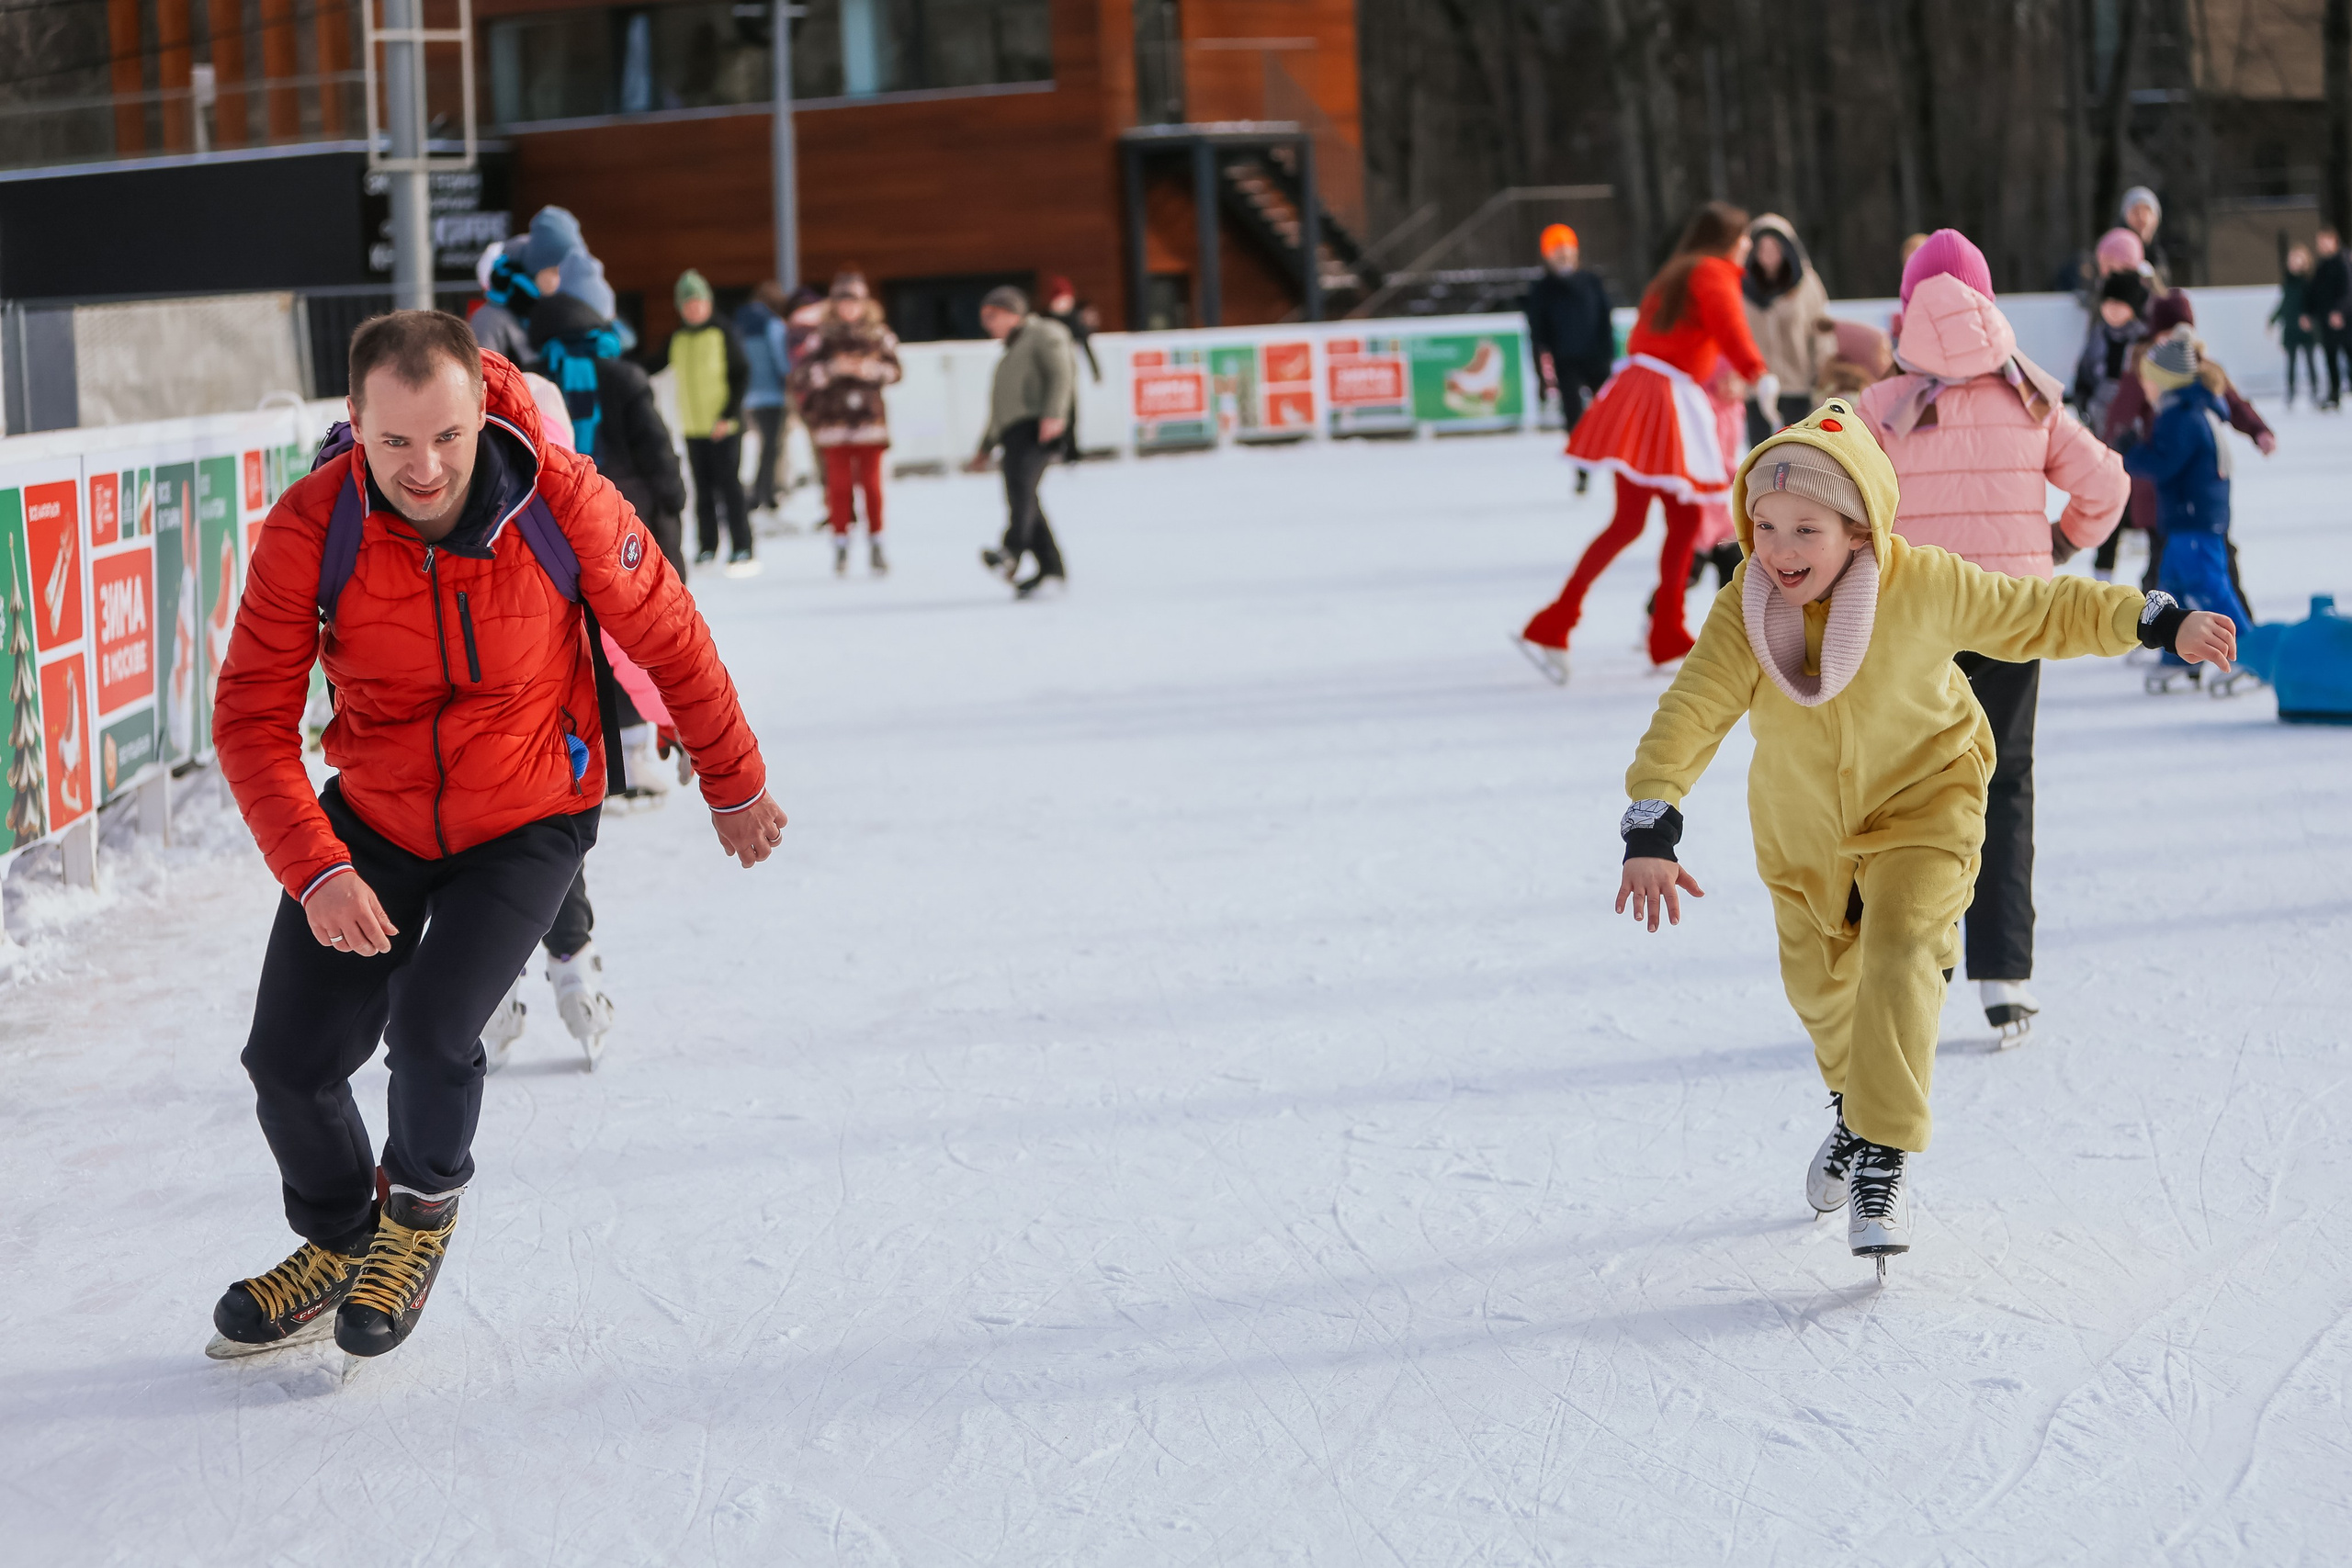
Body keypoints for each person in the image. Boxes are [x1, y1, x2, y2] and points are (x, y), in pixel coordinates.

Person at [207, 312, 785, 1361]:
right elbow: (250, 715)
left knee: (431, 1034)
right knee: (286, 1063)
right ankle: (340, 1242)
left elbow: (669, 632)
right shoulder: (313, 524)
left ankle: (415, 1218)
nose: (422, 469)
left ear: (482, 413)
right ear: (355, 424)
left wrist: (733, 780)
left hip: (525, 821)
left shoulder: (560, 501)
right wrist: (318, 865)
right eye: (393, 443)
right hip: (375, 819)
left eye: (447, 437)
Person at [1611, 404, 2235, 1274]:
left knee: (1905, 945)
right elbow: (1694, 707)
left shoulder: (1922, 583)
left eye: (1805, 529)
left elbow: (2038, 611)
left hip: (1925, 800)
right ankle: (1853, 1109)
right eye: (1764, 525)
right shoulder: (1744, 609)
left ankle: (1883, 1155)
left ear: (1859, 527)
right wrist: (1654, 816)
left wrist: (2153, 619)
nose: (1780, 548)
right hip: (1804, 830)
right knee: (1825, 993)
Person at [1854, 232, 2130, 1046]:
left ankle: (1910, 970)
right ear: (1987, 304)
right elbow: (2107, 485)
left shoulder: (1880, 406)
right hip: (2012, 614)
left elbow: (1829, 495)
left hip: (1918, 624)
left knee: (1908, 796)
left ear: (1909, 308)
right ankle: (2005, 978)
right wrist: (2063, 546)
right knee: (2003, 786)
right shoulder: (2034, 396)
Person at [1516, 201, 1772, 682]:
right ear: (1727, 241)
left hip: (1642, 390)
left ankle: (1631, 629)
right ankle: (1631, 628)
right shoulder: (1712, 273)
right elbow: (1730, 327)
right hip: (1663, 397)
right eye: (1743, 240)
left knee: (1655, 520)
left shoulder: (1676, 272)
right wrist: (1756, 370)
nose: (1747, 250)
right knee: (1670, 519)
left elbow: (1650, 335)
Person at [527, 252, 690, 579]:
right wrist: (673, 498)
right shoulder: (623, 375)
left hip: (554, 520)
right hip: (629, 512)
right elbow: (654, 448)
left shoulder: (530, 379)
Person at [2102, 290, 2274, 598]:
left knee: (2217, 557)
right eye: (2168, 332)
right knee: (2162, 561)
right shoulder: (2146, 367)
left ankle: (2239, 624)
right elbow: (2120, 414)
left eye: (2184, 330)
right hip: (2156, 484)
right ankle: (2149, 624)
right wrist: (2115, 448)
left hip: (2195, 483)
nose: (2175, 339)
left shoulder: (2200, 367)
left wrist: (2257, 430)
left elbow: (2232, 401)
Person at [2125, 333, 2256, 694]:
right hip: (2189, 518)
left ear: (2165, 381)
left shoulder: (2180, 417)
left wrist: (2130, 453)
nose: (2144, 387)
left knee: (2211, 587)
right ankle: (2178, 655)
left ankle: (2249, 654)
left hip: (2195, 519)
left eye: (2148, 379)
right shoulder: (2183, 411)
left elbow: (2166, 465)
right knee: (2173, 587)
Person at [790, 270, 903, 576]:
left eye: (854, 301)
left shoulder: (879, 335)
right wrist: (832, 370)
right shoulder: (821, 337)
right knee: (838, 487)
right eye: (843, 301)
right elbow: (801, 376)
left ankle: (877, 541)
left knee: (872, 487)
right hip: (834, 424)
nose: (849, 308)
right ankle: (840, 543)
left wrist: (869, 369)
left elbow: (895, 371)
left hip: (869, 423)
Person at [966, 286, 1074, 598]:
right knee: (1024, 493)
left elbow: (1061, 373)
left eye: (992, 315)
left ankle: (1011, 551)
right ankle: (1051, 570)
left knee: (1022, 487)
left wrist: (1054, 414)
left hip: (1037, 427)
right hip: (1015, 432)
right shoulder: (1009, 355)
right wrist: (985, 446)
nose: (987, 323)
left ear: (1013, 313)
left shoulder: (1043, 333)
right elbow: (1000, 410)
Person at [666, 270, 753, 571]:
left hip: (723, 427)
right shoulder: (678, 338)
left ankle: (742, 545)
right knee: (702, 489)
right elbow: (653, 363)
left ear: (709, 303)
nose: (694, 309)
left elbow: (740, 375)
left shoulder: (723, 333)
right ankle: (707, 545)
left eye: (699, 302)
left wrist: (727, 415)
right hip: (694, 427)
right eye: (688, 304)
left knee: (729, 487)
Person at [1521, 222, 1615, 474]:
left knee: (1611, 411)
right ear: (1547, 255)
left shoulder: (1591, 281)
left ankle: (1616, 458)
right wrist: (1542, 377)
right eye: (1556, 250)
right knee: (1574, 416)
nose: (1562, 254)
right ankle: (1582, 465)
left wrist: (1609, 355)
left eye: (1566, 248)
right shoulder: (1541, 290)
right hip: (1565, 362)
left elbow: (1605, 320)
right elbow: (1537, 334)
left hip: (1597, 358)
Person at [1741, 213, 1836, 440]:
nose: (1767, 253)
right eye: (1761, 247)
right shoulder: (1741, 286)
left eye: (1774, 246)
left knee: (1796, 451)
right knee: (1758, 456)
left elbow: (1822, 328)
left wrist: (1826, 366)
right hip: (1757, 386)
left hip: (1798, 383)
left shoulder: (1806, 282)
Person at [738, 282, 792, 521]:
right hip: (772, 394)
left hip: (749, 394)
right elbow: (782, 360)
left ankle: (758, 492)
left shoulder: (741, 323)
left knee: (760, 447)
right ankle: (764, 494)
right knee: (771, 448)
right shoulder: (773, 325)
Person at [2073, 270, 2150, 437]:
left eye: (2119, 303)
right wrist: (2085, 405)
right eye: (2107, 303)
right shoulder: (2097, 335)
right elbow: (2083, 375)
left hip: (2134, 421)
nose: (2112, 309)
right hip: (2098, 418)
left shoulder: (2143, 339)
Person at [1041, 275, 1101, 457]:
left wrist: (1095, 370)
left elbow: (1086, 344)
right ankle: (1053, 445)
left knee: (1071, 411)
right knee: (1052, 409)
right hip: (1047, 373)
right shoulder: (1045, 321)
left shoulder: (1075, 320)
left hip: (1067, 372)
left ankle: (1071, 448)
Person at [2305, 227, 2349, 411]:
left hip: (2345, 322)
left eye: (2325, 241)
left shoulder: (2343, 262)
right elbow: (2315, 293)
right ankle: (2334, 394)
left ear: (2334, 241)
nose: (2322, 245)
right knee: (2330, 357)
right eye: (2320, 242)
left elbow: (2348, 290)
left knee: (2349, 355)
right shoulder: (2322, 265)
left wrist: (2340, 312)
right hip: (2326, 321)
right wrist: (2308, 313)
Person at [2274, 243, 2321, 408]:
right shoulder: (2288, 281)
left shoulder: (2309, 281)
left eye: (2298, 259)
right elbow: (2284, 303)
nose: (2294, 262)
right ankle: (2291, 391)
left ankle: (2315, 389)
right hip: (2291, 327)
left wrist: (2309, 317)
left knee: (2309, 360)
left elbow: (2314, 302)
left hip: (2306, 327)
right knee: (2291, 361)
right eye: (2292, 259)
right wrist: (2273, 319)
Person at [2120, 186, 2170, 287]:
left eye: (2147, 210)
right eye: (2136, 211)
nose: (2142, 217)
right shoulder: (2116, 251)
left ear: (2156, 218)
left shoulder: (2161, 252)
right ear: (2126, 216)